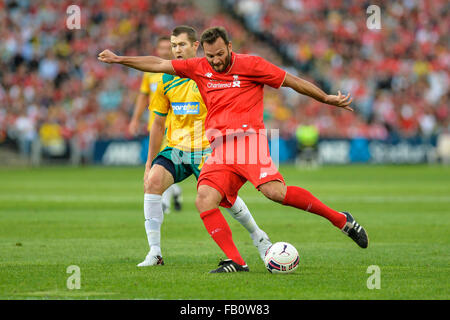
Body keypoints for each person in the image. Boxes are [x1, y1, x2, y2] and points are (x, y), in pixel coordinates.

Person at [98, 26, 369, 274]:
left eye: (219, 54)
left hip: (249, 142)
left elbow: (290, 81)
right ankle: (237, 262)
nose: (215, 61)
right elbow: (158, 63)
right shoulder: (199, 67)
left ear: (229, 46)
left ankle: (341, 220)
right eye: (210, 56)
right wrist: (120, 60)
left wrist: (326, 98)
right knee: (204, 198)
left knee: (274, 193)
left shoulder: (252, 64)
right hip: (219, 147)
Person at [136, 26, 272, 267]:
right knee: (153, 182)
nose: (177, 50)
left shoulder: (210, 74)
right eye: (174, 45)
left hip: (207, 149)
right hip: (177, 148)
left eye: (182, 45)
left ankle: (258, 236)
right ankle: (155, 252)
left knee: (225, 199)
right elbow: (158, 122)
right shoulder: (165, 79)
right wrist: (149, 162)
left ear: (195, 46)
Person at [128, 36, 182, 214]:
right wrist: (135, 119)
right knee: (161, 165)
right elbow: (143, 96)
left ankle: (163, 204)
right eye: (163, 48)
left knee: (162, 164)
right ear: (158, 50)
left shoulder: (179, 70)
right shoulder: (149, 72)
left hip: (174, 127)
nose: (166, 51)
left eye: (169, 47)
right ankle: (175, 192)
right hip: (155, 126)